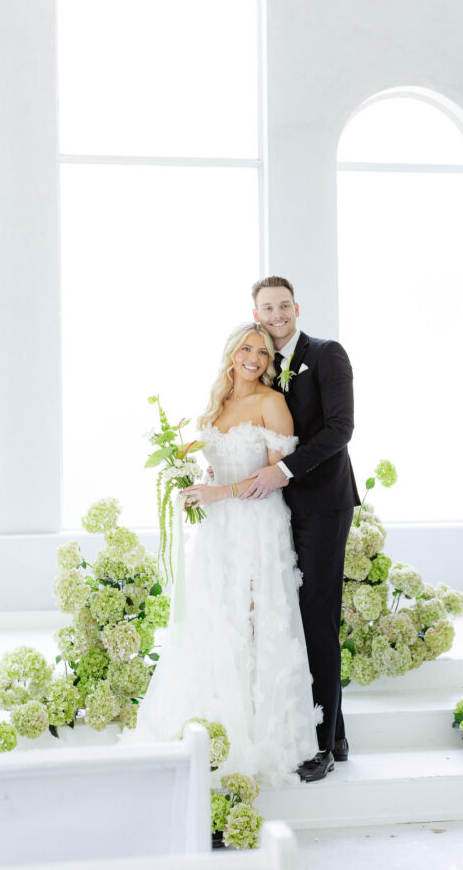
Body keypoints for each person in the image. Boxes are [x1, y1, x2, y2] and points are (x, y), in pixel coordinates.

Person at [120, 322, 320, 786]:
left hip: (256, 524)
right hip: (218, 529)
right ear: (232, 352)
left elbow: (277, 478)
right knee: (214, 617)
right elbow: (205, 455)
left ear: (271, 363)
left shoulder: (273, 403)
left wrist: (218, 493)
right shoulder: (217, 404)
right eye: (247, 348)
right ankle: (210, 721)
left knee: (251, 620)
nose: (254, 357)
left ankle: (255, 731)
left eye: (264, 353)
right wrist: (185, 471)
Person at [244, 276, 360, 783]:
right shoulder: (262, 365)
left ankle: (322, 748)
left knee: (317, 617)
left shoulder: (327, 353)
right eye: (266, 308)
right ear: (256, 314)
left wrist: (284, 472)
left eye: (283, 305)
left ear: (296, 307)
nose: (276, 315)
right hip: (280, 510)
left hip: (324, 505)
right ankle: (334, 733)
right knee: (295, 613)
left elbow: (340, 428)